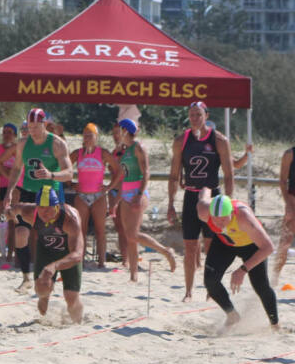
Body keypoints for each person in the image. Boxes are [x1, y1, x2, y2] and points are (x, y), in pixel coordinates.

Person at [168, 101, 234, 302]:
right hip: (191, 196)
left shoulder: (219, 140)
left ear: (206, 115)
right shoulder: (181, 140)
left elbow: (229, 175)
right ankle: (188, 291)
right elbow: (174, 175)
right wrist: (170, 203)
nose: (195, 118)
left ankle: (210, 289)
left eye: (198, 114)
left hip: (213, 198)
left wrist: (229, 202)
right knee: (189, 247)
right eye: (191, 115)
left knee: (211, 247)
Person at [1, 108, 73, 293]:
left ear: (44, 124)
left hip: (48, 192)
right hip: (27, 191)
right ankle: (26, 278)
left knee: (49, 237)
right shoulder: (23, 143)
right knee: (20, 233)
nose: (31, 131)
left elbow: (69, 173)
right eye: (29, 127)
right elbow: (17, 168)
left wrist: (51, 174)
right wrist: (9, 191)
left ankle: (51, 277)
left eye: (35, 127)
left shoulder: (57, 143)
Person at [197, 189, 279, 331]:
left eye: (224, 219)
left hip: (252, 246)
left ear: (231, 213)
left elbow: (268, 248)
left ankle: (275, 325)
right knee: (210, 281)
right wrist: (206, 187)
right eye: (216, 219)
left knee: (261, 286)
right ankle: (232, 315)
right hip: (225, 243)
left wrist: (242, 270)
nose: (220, 223)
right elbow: (203, 195)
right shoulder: (204, 211)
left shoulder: (243, 217)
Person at [9, 185, 84, 323]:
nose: (45, 212)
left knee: (71, 297)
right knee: (42, 290)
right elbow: (13, 208)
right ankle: (44, 299)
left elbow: (78, 254)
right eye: (41, 208)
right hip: (46, 250)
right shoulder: (30, 211)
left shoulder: (70, 219)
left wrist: (54, 266)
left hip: (68, 254)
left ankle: (78, 324)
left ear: (57, 206)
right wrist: (9, 215)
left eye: (49, 208)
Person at [114, 119, 176, 281]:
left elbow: (146, 171)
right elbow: (123, 176)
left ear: (125, 130)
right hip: (126, 192)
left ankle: (165, 251)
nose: (117, 133)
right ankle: (133, 275)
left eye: (119, 129)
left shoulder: (138, 147)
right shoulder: (125, 149)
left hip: (137, 191)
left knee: (133, 234)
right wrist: (115, 198)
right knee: (130, 236)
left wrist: (140, 193)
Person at [70, 123, 121, 269]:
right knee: (81, 230)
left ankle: (101, 262)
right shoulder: (77, 153)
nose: (87, 138)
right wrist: (70, 183)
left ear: (96, 137)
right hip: (81, 195)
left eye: (90, 135)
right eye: (85, 135)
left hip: (99, 196)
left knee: (100, 230)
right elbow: (62, 166)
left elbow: (119, 170)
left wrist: (109, 186)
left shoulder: (103, 153)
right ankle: (80, 261)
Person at [0, 123, 20, 261]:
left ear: (15, 135)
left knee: (13, 222)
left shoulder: (18, 149)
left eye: (10, 132)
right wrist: (8, 173)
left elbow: (17, 170)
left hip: (14, 189)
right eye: (4, 132)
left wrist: (4, 172)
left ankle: (11, 253)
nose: (6, 135)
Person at [272, 145, 295, 281]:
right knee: (285, 241)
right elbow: (282, 181)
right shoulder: (290, 154)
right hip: (293, 200)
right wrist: (288, 204)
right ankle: (274, 277)